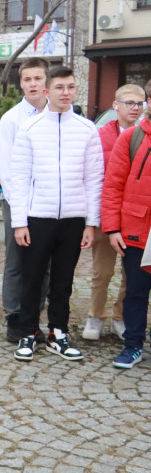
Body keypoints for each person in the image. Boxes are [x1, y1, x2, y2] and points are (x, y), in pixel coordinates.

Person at [9, 67, 103, 362]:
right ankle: (27, 332)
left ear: (76, 91)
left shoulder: (87, 130)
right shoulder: (30, 129)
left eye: (71, 87)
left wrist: (92, 223)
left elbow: (94, 178)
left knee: (63, 280)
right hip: (38, 217)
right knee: (32, 278)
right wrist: (19, 222)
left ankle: (58, 333)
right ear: (47, 91)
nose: (66, 93)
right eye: (60, 87)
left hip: (74, 218)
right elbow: (19, 178)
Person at [84, 84, 145, 341]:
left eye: (139, 104)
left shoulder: (144, 135)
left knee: (131, 273)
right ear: (115, 105)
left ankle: (121, 316)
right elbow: (93, 177)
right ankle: (95, 315)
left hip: (136, 216)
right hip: (106, 213)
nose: (135, 108)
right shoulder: (100, 135)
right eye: (129, 102)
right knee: (103, 271)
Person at [0, 58, 50, 342]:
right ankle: (14, 317)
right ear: (21, 83)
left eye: (38, 79)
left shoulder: (57, 116)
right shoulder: (12, 119)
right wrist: (19, 207)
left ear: (46, 82)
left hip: (48, 203)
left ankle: (34, 316)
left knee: (43, 262)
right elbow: (5, 168)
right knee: (17, 260)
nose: (32, 84)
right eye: (27, 79)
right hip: (17, 201)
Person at [99, 86, 151, 369]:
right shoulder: (132, 138)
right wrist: (112, 228)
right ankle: (133, 346)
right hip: (137, 228)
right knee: (135, 292)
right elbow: (113, 185)